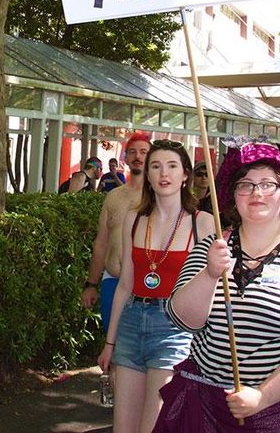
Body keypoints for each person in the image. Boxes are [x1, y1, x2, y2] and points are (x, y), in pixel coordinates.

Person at [152, 143, 280, 432]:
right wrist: (209, 274)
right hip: (206, 406)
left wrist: (262, 396)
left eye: (268, 184)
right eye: (246, 185)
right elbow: (182, 319)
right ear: (233, 195)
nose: (256, 193)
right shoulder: (211, 248)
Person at [97, 139, 215, 433]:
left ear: (185, 174)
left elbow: (210, 290)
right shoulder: (133, 219)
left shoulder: (204, 223)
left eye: (172, 166)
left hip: (176, 328)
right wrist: (109, 343)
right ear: (147, 174)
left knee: (155, 426)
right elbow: (125, 285)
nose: (164, 173)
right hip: (131, 323)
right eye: (156, 166)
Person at [82, 133, 151, 330]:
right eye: (132, 152)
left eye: (144, 152)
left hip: (146, 287)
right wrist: (91, 284)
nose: (138, 156)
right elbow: (101, 242)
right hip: (112, 280)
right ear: (126, 158)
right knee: (112, 348)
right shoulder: (113, 197)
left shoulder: (160, 197)